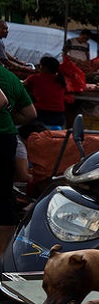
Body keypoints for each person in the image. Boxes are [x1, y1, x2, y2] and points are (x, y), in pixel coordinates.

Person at [0, 71, 37, 252]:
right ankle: (3, 254)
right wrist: (9, 119)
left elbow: (2, 100)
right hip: (7, 136)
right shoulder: (11, 77)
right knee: (4, 196)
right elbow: (30, 113)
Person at [22, 56, 66, 128]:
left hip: (42, 115)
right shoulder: (61, 80)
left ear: (45, 68)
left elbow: (21, 86)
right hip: (59, 116)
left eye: (40, 66)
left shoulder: (35, 78)